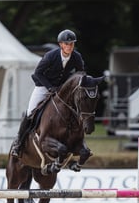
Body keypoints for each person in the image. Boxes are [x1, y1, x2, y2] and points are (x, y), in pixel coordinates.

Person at [10, 29, 85, 158]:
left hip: (62, 89)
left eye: (71, 44)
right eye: (67, 44)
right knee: (30, 112)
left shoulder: (76, 56)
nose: (69, 46)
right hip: (43, 86)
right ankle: (18, 143)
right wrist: (50, 88)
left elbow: (80, 74)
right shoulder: (51, 56)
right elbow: (38, 73)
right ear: (61, 45)